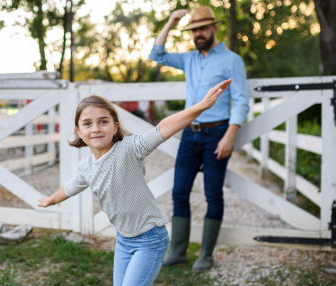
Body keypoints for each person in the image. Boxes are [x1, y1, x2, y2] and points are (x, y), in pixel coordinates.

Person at [38, 78, 232, 286]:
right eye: (87, 123)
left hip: (150, 239)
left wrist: (201, 106)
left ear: (115, 127)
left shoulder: (130, 149)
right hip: (123, 240)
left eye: (103, 121)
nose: (95, 128)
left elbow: (163, 128)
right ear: (79, 132)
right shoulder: (86, 167)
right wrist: (51, 199)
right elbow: (71, 187)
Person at [149, 6, 249, 272]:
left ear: (215, 28)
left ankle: (206, 255)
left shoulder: (232, 60)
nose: (198, 34)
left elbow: (240, 102)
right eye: (194, 30)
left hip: (217, 134)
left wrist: (229, 136)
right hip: (188, 134)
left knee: (212, 195)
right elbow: (156, 54)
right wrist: (171, 21)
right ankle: (179, 252)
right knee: (179, 192)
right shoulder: (189, 59)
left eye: (203, 28)